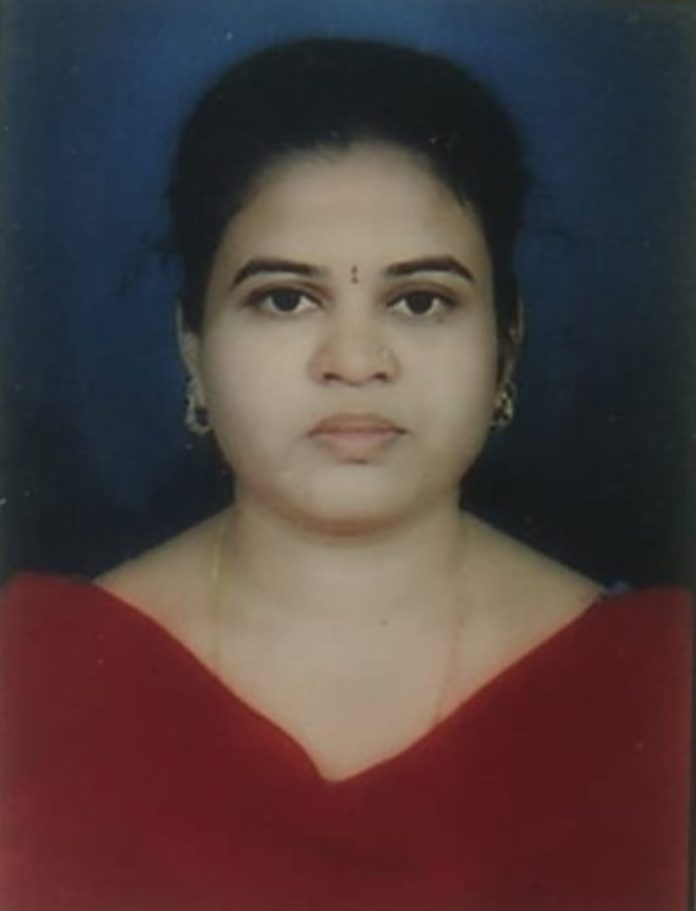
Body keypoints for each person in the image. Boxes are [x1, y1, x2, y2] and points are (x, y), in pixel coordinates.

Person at [0, 37, 691, 911]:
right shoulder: (35, 670)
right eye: (285, 298)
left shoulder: (657, 682)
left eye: (421, 300)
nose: (356, 361)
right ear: (194, 346)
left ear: (505, 347)